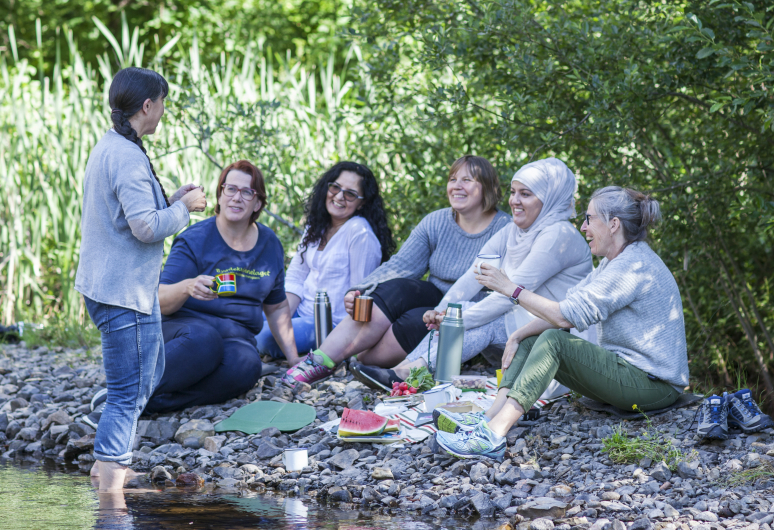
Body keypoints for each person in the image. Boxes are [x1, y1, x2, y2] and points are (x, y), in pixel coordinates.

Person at [434, 186, 689, 460]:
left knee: (555, 341)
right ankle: (488, 418)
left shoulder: (632, 266)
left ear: (613, 224)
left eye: (590, 219)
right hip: (628, 375)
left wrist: (511, 289)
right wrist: (518, 335)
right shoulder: (613, 263)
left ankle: (494, 435)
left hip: (654, 386)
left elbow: (564, 318)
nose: (583, 226)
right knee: (534, 339)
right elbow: (567, 305)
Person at [350, 158, 594, 391]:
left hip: (559, 336)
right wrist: (443, 312)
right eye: (513, 192)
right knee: (461, 309)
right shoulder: (514, 232)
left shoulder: (559, 235)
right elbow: (472, 276)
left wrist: (456, 320)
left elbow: (509, 295)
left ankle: (409, 373)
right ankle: (404, 370)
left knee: (483, 318)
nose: (514, 201)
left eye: (526, 194)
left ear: (549, 200)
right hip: (523, 327)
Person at [75, 67, 207, 492]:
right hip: (121, 292)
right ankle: (111, 480)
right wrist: (185, 210)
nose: (164, 111)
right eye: (162, 103)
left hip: (121, 286)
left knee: (151, 372)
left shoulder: (112, 145)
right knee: (129, 391)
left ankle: (107, 462)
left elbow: (132, 214)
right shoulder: (128, 155)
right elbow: (145, 228)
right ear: (147, 105)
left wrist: (170, 200)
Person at [283, 155, 511, 386]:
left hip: (468, 313)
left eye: (467, 180)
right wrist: (359, 289)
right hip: (435, 297)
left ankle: (363, 361)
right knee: (396, 288)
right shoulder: (436, 221)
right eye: (453, 179)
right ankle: (318, 361)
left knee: (412, 322)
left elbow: (507, 291)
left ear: (488, 188)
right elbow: (401, 265)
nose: (457, 186)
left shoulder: (505, 229)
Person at [144, 160, 298, 413]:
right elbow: (158, 299)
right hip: (185, 333)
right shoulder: (195, 239)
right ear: (220, 194)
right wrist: (187, 287)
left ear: (257, 203)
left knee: (248, 365)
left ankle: (156, 403)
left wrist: (293, 359)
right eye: (231, 189)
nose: (237, 198)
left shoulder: (270, 244)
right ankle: (125, 393)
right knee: (205, 340)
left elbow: (277, 306)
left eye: (247, 192)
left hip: (236, 341)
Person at [254, 162, 395, 359]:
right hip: (300, 311)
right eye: (335, 187)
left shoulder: (360, 232)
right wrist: (282, 316)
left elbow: (360, 295)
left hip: (330, 325)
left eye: (350, 194)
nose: (339, 197)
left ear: (362, 203)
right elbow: (296, 277)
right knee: (247, 315)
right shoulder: (317, 225)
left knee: (265, 337)